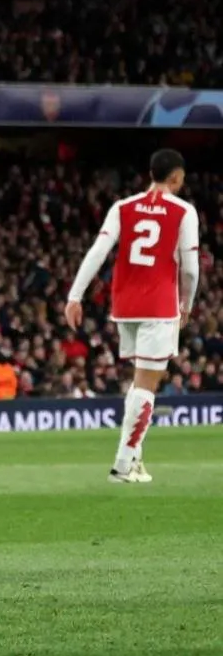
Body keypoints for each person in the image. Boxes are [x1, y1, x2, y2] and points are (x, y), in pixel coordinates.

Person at [65, 148, 199, 483]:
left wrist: (75, 296)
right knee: (147, 385)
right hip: (159, 306)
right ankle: (123, 465)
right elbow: (192, 270)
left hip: (124, 306)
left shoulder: (122, 207)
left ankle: (135, 460)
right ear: (176, 177)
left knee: (139, 382)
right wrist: (187, 303)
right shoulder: (184, 211)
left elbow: (98, 251)